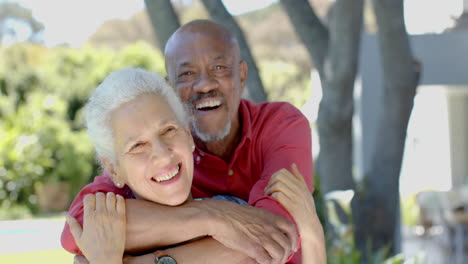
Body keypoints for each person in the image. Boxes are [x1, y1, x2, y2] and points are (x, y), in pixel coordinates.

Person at [62, 19, 324, 264]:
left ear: (242, 75)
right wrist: (212, 217)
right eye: (187, 73)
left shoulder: (278, 125)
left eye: (219, 68)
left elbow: (272, 234)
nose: (205, 85)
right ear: (171, 87)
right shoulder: (140, 160)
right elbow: (80, 227)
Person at [66, 67, 255, 263]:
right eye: (138, 145)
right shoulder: (99, 246)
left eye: (168, 130)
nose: (163, 155)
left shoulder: (237, 213)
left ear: (189, 136)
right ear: (113, 170)